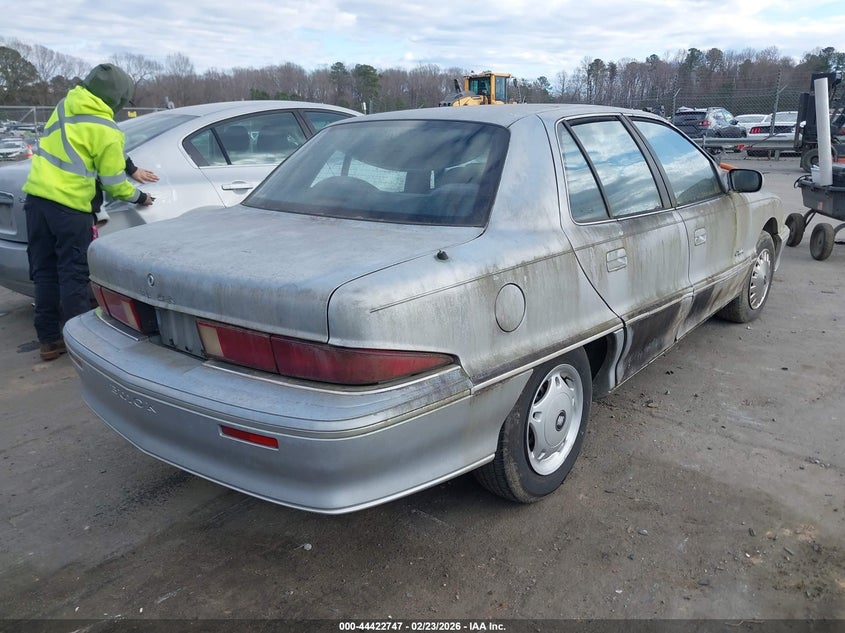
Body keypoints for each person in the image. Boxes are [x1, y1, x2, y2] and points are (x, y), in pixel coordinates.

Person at [22, 63, 155, 361]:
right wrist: (141, 196)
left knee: (44, 273)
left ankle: (49, 341)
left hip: (36, 202)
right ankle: (81, 346)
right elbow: (114, 185)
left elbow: (87, 144)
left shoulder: (64, 106)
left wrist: (130, 166)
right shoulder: (107, 130)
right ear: (118, 99)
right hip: (70, 209)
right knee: (73, 275)